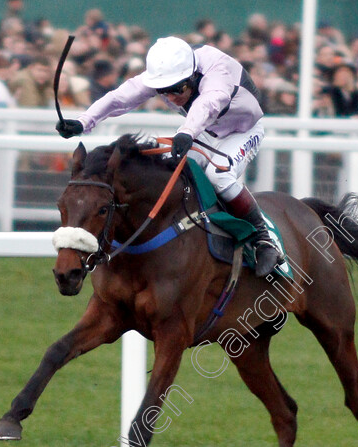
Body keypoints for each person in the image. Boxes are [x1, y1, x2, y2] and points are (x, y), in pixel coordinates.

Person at [55, 36, 282, 277]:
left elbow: (208, 105)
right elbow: (120, 97)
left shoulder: (217, 71)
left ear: (193, 76)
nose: (171, 97)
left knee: (218, 177)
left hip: (243, 131)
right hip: (203, 130)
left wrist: (186, 132)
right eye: (164, 92)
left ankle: (263, 240)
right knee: (174, 171)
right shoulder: (168, 72)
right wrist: (82, 122)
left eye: (177, 90)